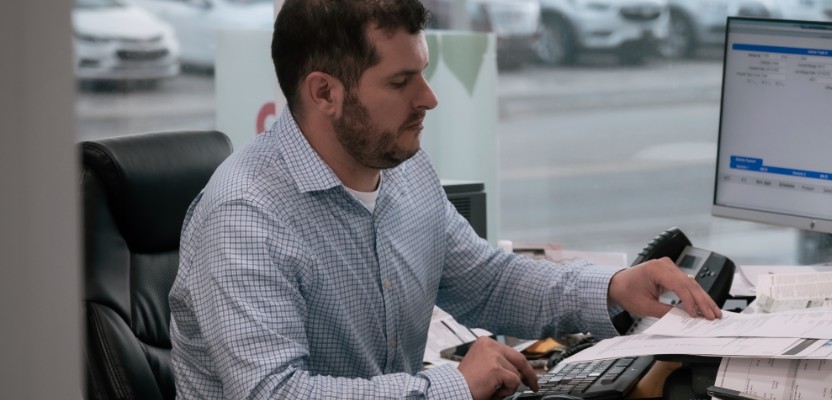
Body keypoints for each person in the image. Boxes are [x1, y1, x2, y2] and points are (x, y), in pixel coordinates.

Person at [168, 0, 721, 399]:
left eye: (424, 74)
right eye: (400, 81)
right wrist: (451, 387)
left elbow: (485, 279)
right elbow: (273, 393)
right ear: (324, 93)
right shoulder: (244, 217)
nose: (428, 98)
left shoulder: (400, 167)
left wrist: (611, 289)